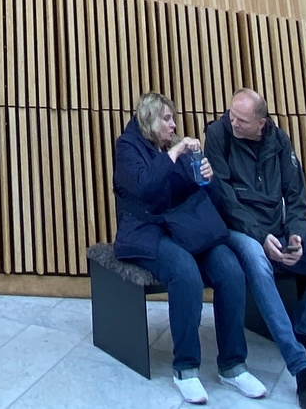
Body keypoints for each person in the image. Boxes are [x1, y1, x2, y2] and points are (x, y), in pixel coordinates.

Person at [116, 94, 262, 404]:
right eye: (166, 119)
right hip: (146, 232)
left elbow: (201, 196)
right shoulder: (128, 147)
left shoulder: (175, 148)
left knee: (230, 270)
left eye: (173, 118)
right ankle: (186, 368)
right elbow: (145, 187)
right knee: (185, 272)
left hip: (185, 228)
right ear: (149, 120)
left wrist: (207, 178)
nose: (173, 125)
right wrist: (173, 154)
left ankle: (233, 365)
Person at [204, 91, 306, 407]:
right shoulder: (218, 134)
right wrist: (261, 237)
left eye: (241, 120)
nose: (233, 122)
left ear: (261, 123)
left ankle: (302, 333)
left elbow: (296, 195)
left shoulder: (279, 141)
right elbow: (225, 200)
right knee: (258, 262)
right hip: (239, 230)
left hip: (278, 229)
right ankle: (300, 367)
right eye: (231, 115)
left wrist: (296, 236)